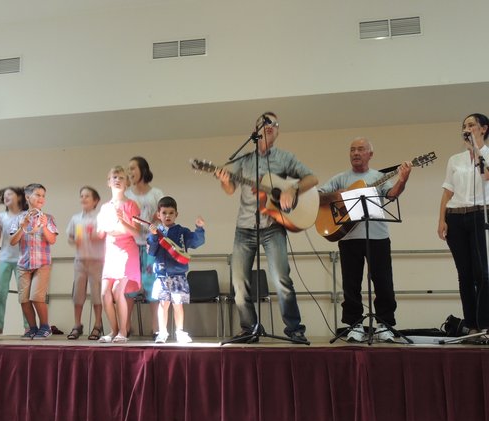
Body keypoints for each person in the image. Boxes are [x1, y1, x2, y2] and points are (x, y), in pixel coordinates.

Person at [217, 111, 317, 343]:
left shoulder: (285, 158)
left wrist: (292, 190)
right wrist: (224, 180)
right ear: (256, 130)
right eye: (264, 122)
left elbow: (312, 178)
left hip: (273, 226)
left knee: (282, 279)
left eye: (273, 123)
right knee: (239, 282)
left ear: (278, 131)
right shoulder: (243, 160)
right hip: (245, 227)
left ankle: (295, 330)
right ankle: (249, 328)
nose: (268, 125)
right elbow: (230, 190)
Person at [319, 137, 412, 342]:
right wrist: (337, 194)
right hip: (349, 237)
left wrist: (402, 179)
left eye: (361, 149)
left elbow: (391, 194)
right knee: (350, 284)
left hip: (377, 236)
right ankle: (355, 325)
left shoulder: (379, 176)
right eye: (352, 149)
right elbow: (318, 196)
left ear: (370, 154)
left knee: (383, 282)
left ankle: (384, 324)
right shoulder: (340, 178)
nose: (355, 153)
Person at [437, 113, 489, 335]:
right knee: (464, 273)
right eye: (464, 126)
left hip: (480, 214)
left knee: (483, 274)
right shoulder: (454, 159)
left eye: (471, 125)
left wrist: (477, 150)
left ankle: (485, 323)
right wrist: (441, 219)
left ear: (483, 129)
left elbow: (486, 176)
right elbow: (448, 191)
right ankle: (472, 325)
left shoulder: (486, 154)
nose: (467, 128)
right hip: (456, 216)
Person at [147, 196, 205, 344]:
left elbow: (197, 242)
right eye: (164, 212)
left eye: (171, 213)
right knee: (162, 304)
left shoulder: (182, 232)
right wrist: (153, 237)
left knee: (177, 305)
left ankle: (179, 332)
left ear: (176, 214)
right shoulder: (156, 232)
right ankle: (162, 332)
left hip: (178, 275)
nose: (167, 216)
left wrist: (199, 228)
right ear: (158, 215)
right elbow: (151, 252)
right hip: (161, 276)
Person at [96, 166, 141, 343]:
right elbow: (100, 233)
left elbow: (136, 232)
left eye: (121, 177)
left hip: (127, 251)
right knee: (104, 293)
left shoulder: (131, 205)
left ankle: (123, 331)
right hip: (111, 252)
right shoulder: (105, 207)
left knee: (117, 290)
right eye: (114, 177)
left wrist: (122, 221)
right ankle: (113, 331)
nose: (117, 179)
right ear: (109, 182)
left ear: (127, 182)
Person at [10, 183, 58, 339]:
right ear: (27, 196)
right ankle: (32, 328)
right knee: (24, 299)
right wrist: (22, 227)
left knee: (36, 297)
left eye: (43, 195)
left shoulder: (48, 218)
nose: (41, 198)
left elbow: (52, 240)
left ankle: (45, 327)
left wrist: (44, 226)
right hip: (23, 264)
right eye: (37, 194)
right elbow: (12, 241)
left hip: (42, 263)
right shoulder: (19, 218)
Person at [126, 156, 164, 337]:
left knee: (152, 284)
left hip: (152, 246)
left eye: (133, 168)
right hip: (131, 245)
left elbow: (164, 216)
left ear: (143, 169)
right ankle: (126, 325)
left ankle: (156, 326)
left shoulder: (156, 193)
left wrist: (155, 220)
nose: (130, 172)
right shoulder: (127, 195)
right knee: (130, 285)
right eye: (129, 169)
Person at [0, 186, 28, 334]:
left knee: (24, 295)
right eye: (5, 195)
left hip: (22, 259)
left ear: (19, 197)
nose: (6, 197)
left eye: (10, 194)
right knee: (1, 294)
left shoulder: (25, 215)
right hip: (5, 259)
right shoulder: (1, 216)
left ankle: (29, 326)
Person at [65, 186, 105, 340]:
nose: (83, 198)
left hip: (96, 260)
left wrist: (96, 236)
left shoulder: (100, 218)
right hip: (80, 260)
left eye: (87, 196)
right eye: (81, 195)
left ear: (95, 200)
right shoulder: (76, 218)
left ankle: (97, 324)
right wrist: (74, 239)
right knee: (78, 294)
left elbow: (105, 236)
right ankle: (77, 324)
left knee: (96, 293)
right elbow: (70, 237)